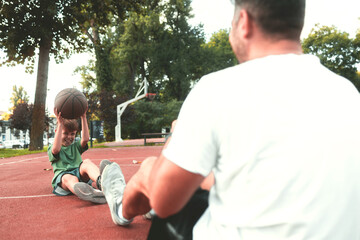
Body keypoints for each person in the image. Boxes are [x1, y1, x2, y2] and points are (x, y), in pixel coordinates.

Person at [101, 0, 360, 239]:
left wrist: (177, 139)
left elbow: (164, 200)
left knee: (151, 171)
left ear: (244, 23)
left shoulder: (217, 88)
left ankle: (121, 210)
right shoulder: (349, 94)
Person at [48, 109, 106, 204]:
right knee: (68, 177)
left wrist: (83, 117)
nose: (69, 137)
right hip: (64, 178)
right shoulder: (53, 147)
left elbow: (86, 139)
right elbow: (56, 150)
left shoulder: (75, 146)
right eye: (65, 133)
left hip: (79, 174)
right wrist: (60, 124)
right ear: (57, 132)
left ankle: (102, 182)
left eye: (72, 134)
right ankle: (88, 193)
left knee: (86, 162)